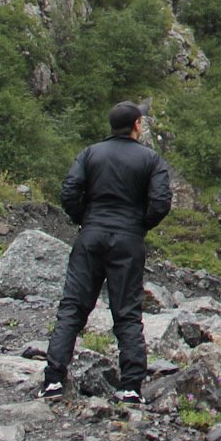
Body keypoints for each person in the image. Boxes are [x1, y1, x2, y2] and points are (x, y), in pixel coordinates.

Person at [42, 101, 172, 402]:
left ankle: (53, 381)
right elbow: (161, 202)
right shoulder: (151, 159)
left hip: (91, 234)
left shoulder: (90, 153)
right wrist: (139, 225)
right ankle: (130, 387)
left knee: (72, 307)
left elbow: (69, 191)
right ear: (137, 125)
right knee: (127, 313)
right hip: (127, 239)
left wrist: (84, 220)